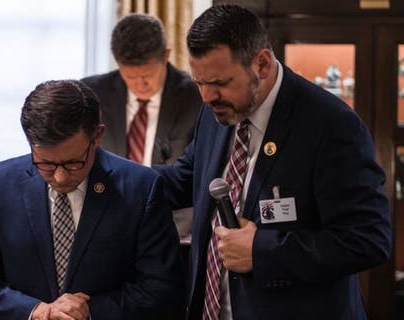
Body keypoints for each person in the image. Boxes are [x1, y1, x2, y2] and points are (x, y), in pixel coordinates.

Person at [154, 4, 391, 320]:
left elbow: (368, 239)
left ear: (262, 64)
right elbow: (188, 177)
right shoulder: (217, 109)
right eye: (200, 82)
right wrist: (113, 175)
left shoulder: (332, 126)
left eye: (220, 82)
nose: (207, 96)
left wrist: (261, 250)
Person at [0, 80, 184, 320]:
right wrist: (37, 311)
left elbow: (162, 289)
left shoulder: (141, 188)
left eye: (74, 162)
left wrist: (90, 312)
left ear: (97, 136)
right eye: (46, 163)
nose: (60, 177)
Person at [82, 13, 201, 166]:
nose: (140, 84)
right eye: (130, 76)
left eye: (148, 75)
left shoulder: (195, 96)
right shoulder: (92, 94)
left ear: (166, 56)